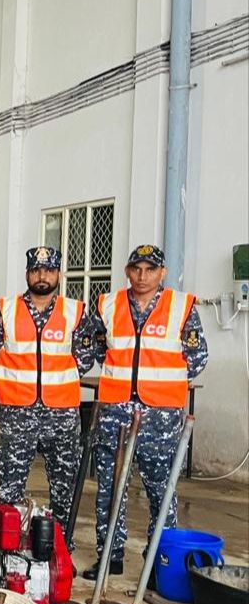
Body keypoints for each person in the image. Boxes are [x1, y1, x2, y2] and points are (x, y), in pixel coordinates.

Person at [82, 245, 208, 579]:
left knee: (161, 491)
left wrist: (163, 383)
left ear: (161, 273)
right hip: (115, 414)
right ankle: (110, 555)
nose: (142, 276)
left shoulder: (181, 307)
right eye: (136, 269)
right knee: (110, 490)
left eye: (150, 269)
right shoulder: (108, 304)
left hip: (160, 416)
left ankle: (158, 563)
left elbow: (197, 357)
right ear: (127, 271)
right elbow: (96, 346)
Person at [0, 247, 96, 548]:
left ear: (58, 273)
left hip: (62, 413)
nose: (42, 276)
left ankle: (60, 547)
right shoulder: (5, 309)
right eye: (36, 270)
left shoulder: (76, 311)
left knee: (64, 487)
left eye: (48, 270)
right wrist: (9, 375)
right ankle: (9, 548)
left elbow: (87, 353)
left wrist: (60, 376)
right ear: (28, 273)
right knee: (10, 484)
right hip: (18, 412)